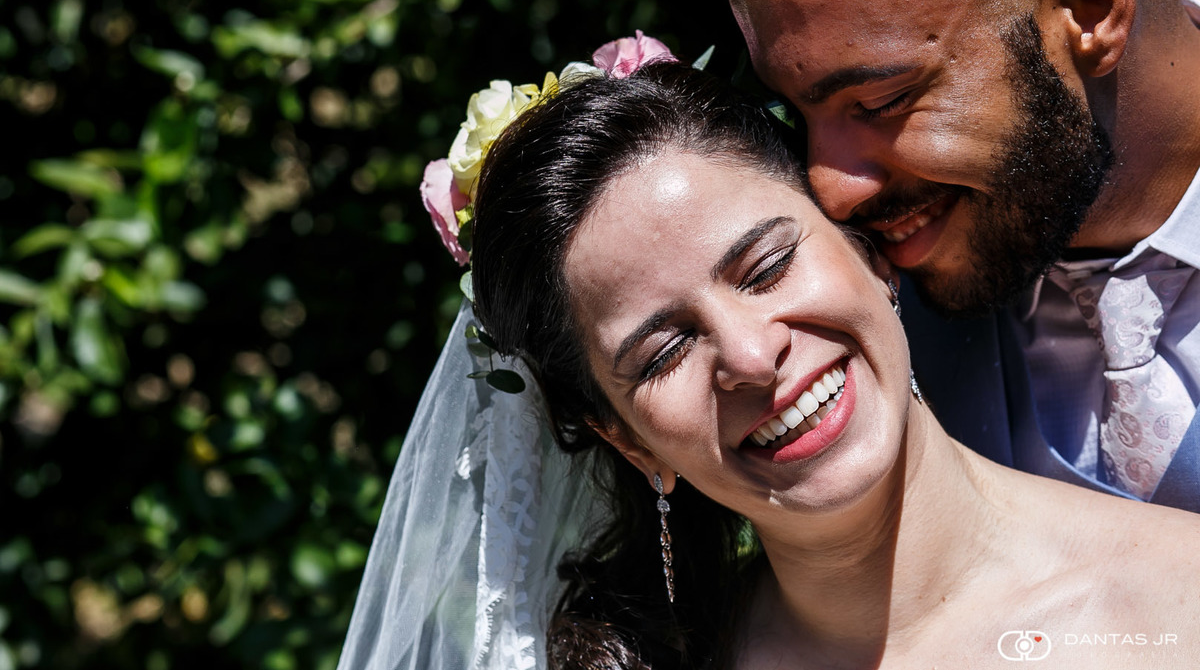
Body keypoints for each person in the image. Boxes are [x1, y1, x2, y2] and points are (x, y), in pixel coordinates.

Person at [341, 57, 1200, 669]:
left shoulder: (1176, 603)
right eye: (665, 349)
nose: (753, 356)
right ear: (625, 436)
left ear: (866, 252)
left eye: (765, 267)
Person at [711, 0, 1200, 510]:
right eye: (800, 116)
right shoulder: (847, 334)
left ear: (1089, 7)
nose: (829, 193)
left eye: (882, 100)